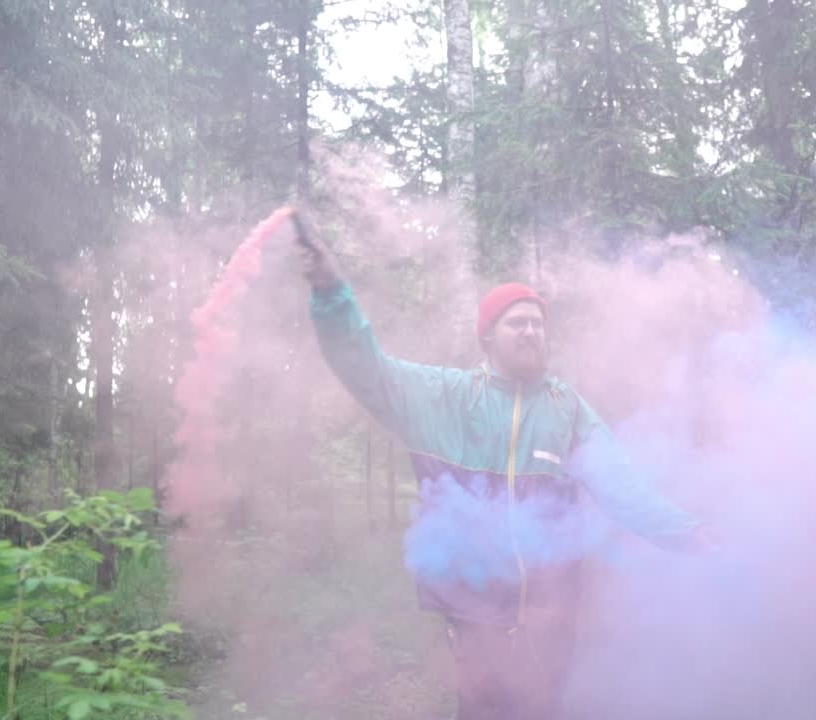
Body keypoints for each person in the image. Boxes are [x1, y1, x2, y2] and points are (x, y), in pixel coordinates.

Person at [291, 209, 714, 720]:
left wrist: (689, 534)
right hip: (475, 614)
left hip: (550, 614)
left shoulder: (567, 409)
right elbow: (366, 367)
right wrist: (330, 291)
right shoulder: (444, 397)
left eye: (538, 324)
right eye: (517, 322)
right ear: (487, 337)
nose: (531, 332)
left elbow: (623, 488)